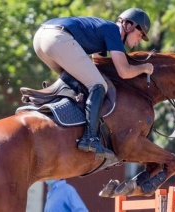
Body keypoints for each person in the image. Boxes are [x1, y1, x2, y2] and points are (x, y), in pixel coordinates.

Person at [33, 8, 153, 160]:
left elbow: (97, 63)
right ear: (129, 26)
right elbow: (124, 72)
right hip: (57, 38)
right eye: (140, 34)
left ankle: (56, 113)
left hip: (41, 37)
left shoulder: (104, 31)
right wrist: (145, 68)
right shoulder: (114, 31)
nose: (140, 40)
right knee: (98, 85)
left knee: (77, 80)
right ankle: (89, 138)